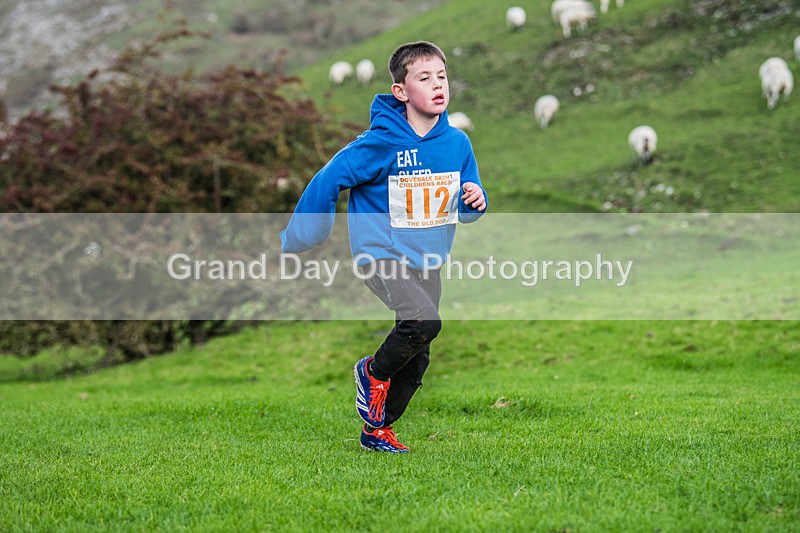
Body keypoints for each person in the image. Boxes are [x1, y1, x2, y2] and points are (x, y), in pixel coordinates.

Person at [280, 41, 487, 452]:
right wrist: (303, 234)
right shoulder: (381, 142)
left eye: (441, 76)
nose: (437, 85)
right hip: (381, 256)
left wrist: (475, 200)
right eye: (424, 78)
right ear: (401, 91)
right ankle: (371, 372)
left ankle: (377, 429)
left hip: (428, 261)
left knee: (419, 353)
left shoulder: (458, 144)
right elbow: (328, 178)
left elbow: (468, 203)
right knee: (423, 323)